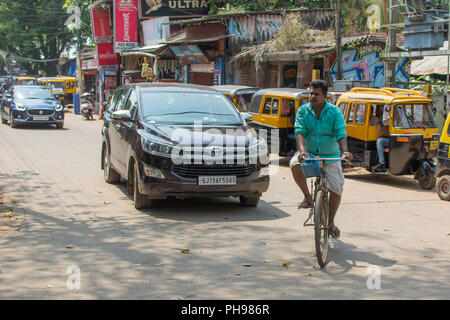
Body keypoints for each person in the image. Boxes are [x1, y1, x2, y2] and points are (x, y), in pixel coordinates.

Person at [290, 79, 353, 238]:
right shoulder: (303, 111)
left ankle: (330, 222)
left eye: (316, 94)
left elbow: (341, 134)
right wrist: (302, 151)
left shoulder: (335, 112)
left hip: (331, 156)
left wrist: (345, 152)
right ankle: (308, 197)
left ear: (325, 96)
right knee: (294, 164)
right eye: (311, 93)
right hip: (311, 154)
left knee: (337, 189)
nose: (312, 97)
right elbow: (300, 132)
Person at [370, 106, 389, 171]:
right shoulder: (381, 121)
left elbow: (380, 133)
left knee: (380, 141)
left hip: (391, 140)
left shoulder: (382, 120)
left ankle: (381, 162)